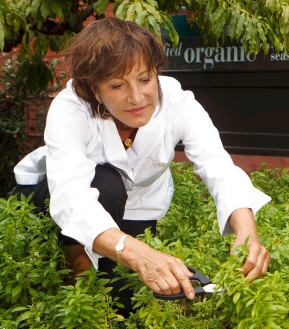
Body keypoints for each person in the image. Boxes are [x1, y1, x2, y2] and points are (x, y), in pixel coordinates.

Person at [14, 17, 270, 308]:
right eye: (117, 85)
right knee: (107, 185)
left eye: (145, 79)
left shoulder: (176, 101)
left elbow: (217, 165)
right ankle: (76, 263)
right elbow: (71, 197)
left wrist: (247, 233)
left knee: (127, 301)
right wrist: (141, 254)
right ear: (94, 89)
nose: (136, 97)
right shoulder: (70, 109)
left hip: (138, 204)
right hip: (52, 194)